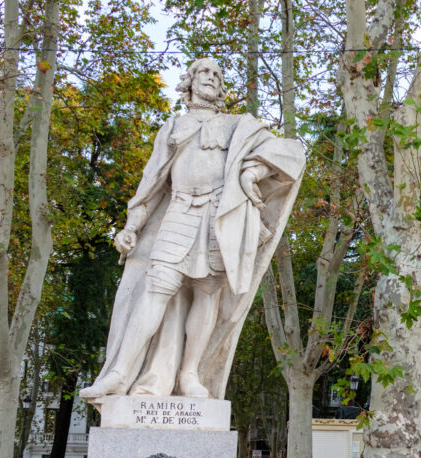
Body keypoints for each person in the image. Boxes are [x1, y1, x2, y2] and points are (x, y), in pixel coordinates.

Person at [81, 58, 304, 402]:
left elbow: (290, 153)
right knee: (156, 288)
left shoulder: (236, 126)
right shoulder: (172, 127)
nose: (212, 78)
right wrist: (132, 226)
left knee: (208, 292)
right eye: (204, 72)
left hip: (220, 217)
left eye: (217, 74)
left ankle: (189, 375)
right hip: (180, 212)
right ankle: (119, 374)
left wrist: (253, 172)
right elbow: (151, 184)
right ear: (189, 82)